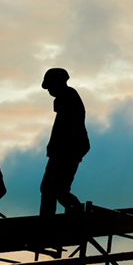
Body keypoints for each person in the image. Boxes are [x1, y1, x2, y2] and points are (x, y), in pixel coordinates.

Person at [39, 68, 89, 216]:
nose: (49, 91)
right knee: (56, 190)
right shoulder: (68, 97)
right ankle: (75, 215)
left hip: (67, 151)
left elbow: (64, 130)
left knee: (51, 189)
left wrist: (55, 149)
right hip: (67, 150)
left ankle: (50, 222)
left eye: (50, 87)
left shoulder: (67, 98)